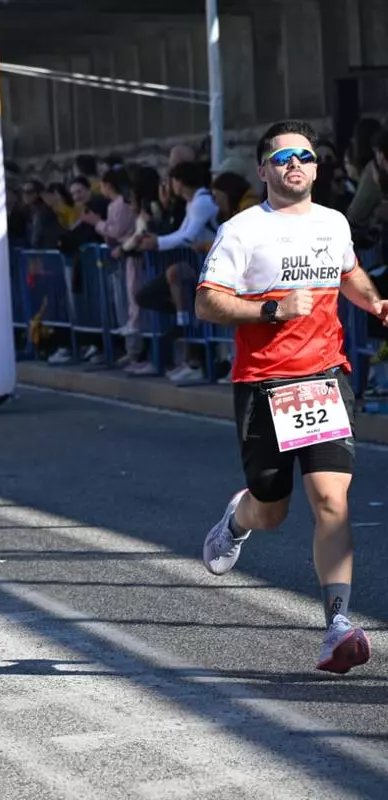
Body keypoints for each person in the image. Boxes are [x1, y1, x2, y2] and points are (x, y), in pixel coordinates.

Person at [196, 119, 386, 675]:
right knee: (272, 509)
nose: (294, 165)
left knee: (332, 500)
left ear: (317, 168)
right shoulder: (242, 230)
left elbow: (349, 273)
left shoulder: (333, 223)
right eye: (282, 159)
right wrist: (272, 309)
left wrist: (376, 303)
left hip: (324, 378)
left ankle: (337, 626)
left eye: (304, 156)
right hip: (264, 382)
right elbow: (207, 301)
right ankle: (239, 518)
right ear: (264, 170)